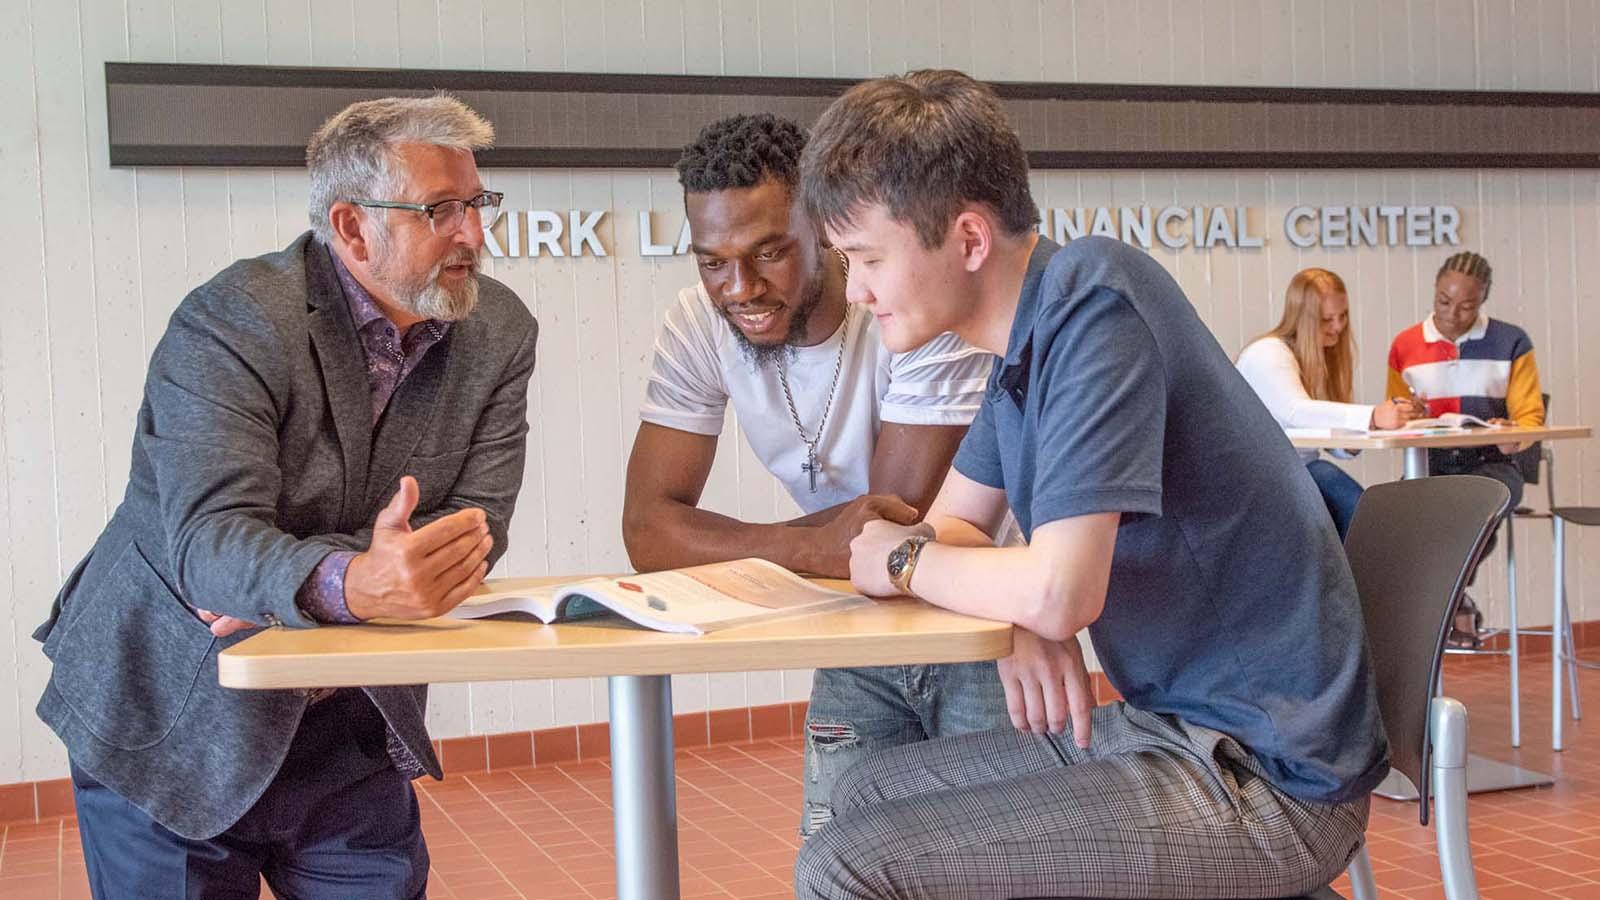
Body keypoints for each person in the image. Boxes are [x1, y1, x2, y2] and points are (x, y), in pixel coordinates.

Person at [791, 69, 1387, 899]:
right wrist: (1013, 599)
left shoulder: (1093, 304)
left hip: (1268, 776)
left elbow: (1057, 588)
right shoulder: (1025, 347)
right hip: (1177, 729)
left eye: (867, 259)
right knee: (864, 792)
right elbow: (958, 528)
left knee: (845, 863)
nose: (854, 292)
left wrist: (912, 566)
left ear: (967, 239)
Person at [32, 96, 539, 899]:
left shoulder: (501, 330)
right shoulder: (233, 320)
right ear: (351, 226)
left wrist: (311, 584)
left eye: (477, 204)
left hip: (348, 726)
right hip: (173, 712)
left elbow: (479, 525)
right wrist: (360, 579)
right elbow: (209, 546)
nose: (474, 235)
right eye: (441, 210)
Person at [622, 113, 1010, 837]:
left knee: (995, 863)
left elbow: (896, 525)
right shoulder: (696, 326)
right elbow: (647, 529)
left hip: (979, 624)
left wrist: (726, 544)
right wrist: (809, 547)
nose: (740, 288)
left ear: (826, 231)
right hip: (849, 621)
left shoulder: (910, 304)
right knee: (837, 857)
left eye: (770, 253)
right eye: (712, 262)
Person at [1387, 250, 1545, 644]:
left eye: (1466, 306)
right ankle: (1456, 607)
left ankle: (1442, 606)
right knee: (1406, 516)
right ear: (1434, 291)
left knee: (1474, 507)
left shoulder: (1512, 342)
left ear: (1483, 301)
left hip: (1494, 462)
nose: (1452, 315)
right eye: (1443, 301)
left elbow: (1530, 417)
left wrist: (1514, 432)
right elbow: (1393, 414)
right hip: (1432, 462)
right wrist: (1407, 411)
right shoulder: (1406, 345)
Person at [1237, 267, 1425, 538]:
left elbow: (1315, 432)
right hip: (1263, 478)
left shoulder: (1312, 357)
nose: (1337, 327)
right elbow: (1297, 412)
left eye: (1343, 316)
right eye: (1327, 319)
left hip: (1292, 473)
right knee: (1360, 512)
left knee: (1360, 510)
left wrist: (1371, 426)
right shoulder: (1267, 354)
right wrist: (1372, 417)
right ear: (1303, 318)